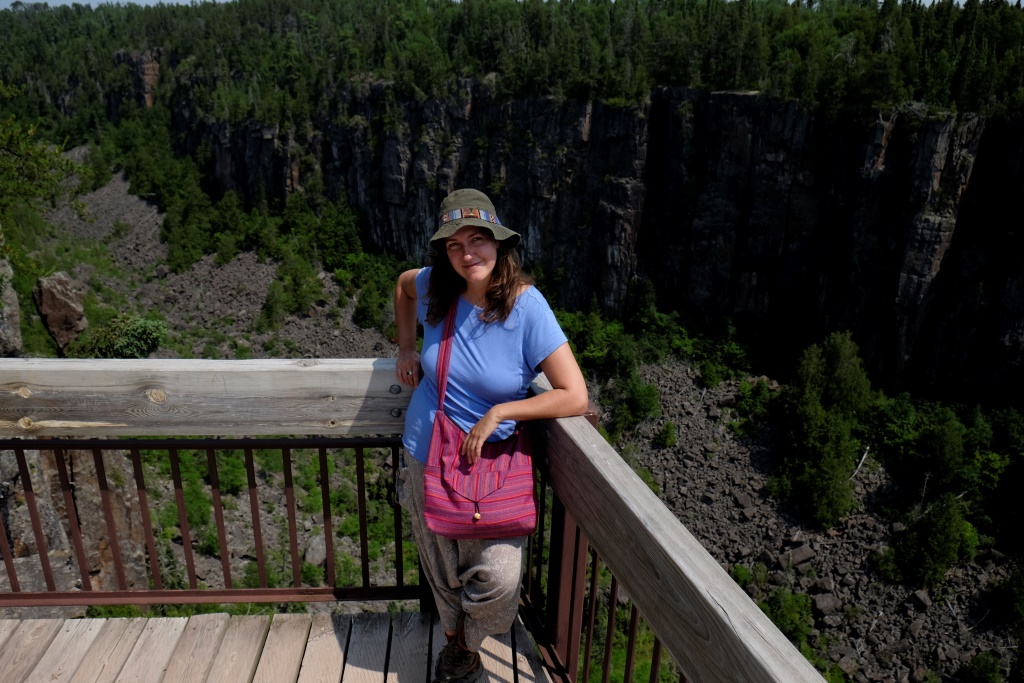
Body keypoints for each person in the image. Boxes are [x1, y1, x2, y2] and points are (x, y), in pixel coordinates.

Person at [394, 188, 588, 683]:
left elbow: (574, 394)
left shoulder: (526, 307)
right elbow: (403, 287)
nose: (467, 254)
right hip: (425, 451)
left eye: (477, 240)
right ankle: (457, 651)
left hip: (493, 464)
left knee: (500, 579)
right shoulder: (438, 285)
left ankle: (467, 641)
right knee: (442, 568)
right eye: (454, 245)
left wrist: (502, 410)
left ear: (499, 243)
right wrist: (406, 348)